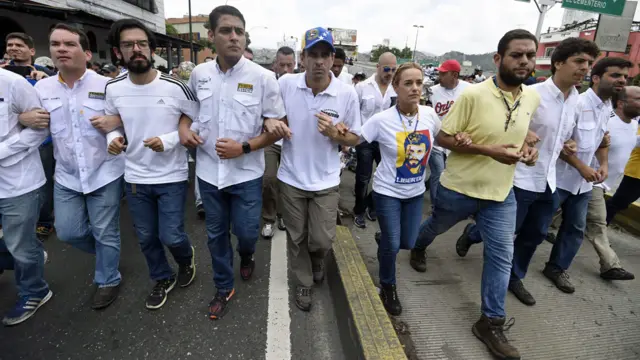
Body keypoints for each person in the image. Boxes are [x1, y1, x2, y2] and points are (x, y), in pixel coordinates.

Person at [409, 29, 540, 359]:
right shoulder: (472, 95)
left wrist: (527, 149)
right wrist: (488, 151)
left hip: (501, 193)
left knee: (501, 255)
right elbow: (444, 139)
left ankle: (490, 322)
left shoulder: (531, 97)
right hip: (459, 188)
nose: (524, 61)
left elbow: (518, 134)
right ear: (498, 59)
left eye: (529, 55)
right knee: (435, 227)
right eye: (516, 55)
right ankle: (419, 247)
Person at [458, 37, 600, 305]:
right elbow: (505, 124)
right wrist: (526, 134)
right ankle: (472, 234)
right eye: (579, 61)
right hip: (521, 177)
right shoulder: (531, 94)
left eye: (590, 63)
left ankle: (515, 276)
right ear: (558, 63)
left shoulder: (576, 102)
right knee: (506, 230)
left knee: (534, 234)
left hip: (549, 180)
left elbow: (562, 138)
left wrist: (567, 142)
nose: (585, 68)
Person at [179, 5, 286, 320]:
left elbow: (274, 129)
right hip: (210, 173)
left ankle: (248, 253)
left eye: (239, 31)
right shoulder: (199, 75)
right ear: (211, 36)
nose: (234, 37)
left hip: (246, 174)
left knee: (246, 231)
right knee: (215, 235)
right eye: (226, 31)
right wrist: (185, 130)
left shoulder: (263, 78)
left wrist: (244, 147)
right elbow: (190, 113)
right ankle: (224, 286)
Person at [20, 24, 126, 310]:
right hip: (66, 174)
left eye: (69, 44)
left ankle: (108, 278)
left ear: (87, 53)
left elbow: (117, 122)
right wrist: (25, 120)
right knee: (68, 231)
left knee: (105, 230)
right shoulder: (41, 89)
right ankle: (109, 254)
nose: (61, 49)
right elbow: (36, 127)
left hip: (104, 170)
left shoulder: (106, 86)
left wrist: (116, 138)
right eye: (55, 44)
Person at [104, 18, 198, 310]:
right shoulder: (113, 88)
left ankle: (185, 259)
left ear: (151, 49)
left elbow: (196, 119)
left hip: (170, 173)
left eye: (142, 44)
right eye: (128, 45)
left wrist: (168, 140)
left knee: (171, 234)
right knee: (146, 237)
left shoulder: (174, 86)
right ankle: (161, 277)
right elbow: (112, 122)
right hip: (134, 176)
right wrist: (114, 137)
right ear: (119, 52)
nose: (136, 49)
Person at [267, 27, 361, 312]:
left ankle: (318, 257)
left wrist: (337, 135)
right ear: (302, 57)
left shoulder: (346, 94)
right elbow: (271, 117)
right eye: (313, 55)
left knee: (321, 237)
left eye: (325, 55)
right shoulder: (286, 85)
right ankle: (304, 280)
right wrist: (272, 124)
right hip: (292, 177)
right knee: (296, 236)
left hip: (327, 179)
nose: (319, 61)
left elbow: (355, 136)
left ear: (333, 58)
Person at [539, 58, 630, 295]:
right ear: (597, 78)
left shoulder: (607, 108)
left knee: (575, 228)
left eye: (625, 77)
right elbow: (560, 144)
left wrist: (603, 164)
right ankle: (475, 234)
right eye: (616, 75)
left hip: (584, 185)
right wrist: (581, 167)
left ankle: (556, 268)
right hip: (558, 180)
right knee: (533, 226)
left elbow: (602, 140)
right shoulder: (577, 104)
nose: (622, 80)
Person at [360, 62, 444, 315]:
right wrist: (336, 134)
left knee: (407, 242)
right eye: (408, 83)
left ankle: (386, 239)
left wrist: (464, 138)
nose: (415, 88)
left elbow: (443, 137)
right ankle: (388, 286)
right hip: (387, 192)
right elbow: (355, 138)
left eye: (419, 83)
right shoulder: (381, 120)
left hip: (415, 193)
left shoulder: (429, 115)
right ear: (395, 87)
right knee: (393, 245)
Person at [0, 67, 52, 326]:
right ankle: (30, 254)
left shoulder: (12, 83)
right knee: (18, 244)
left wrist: (2, 150)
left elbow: (41, 128)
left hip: (16, 182)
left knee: (19, 244)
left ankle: (35, 291)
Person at [3, 32, 56, 239]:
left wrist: (45, 78)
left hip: (41, 139)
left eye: (19, 45)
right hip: (12, 138)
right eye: (10, 45)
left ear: (31, 51)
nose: (14, 48)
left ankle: (44, 220)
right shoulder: (4, 75)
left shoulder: (45, 74)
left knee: (43, 183)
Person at [584, 86, 639, 281]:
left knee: (546, 217)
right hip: (591, 181)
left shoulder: (633, 125)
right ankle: (610, 266)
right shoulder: (607, 122)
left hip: (602, 184)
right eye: (638, 98)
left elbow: (633, 143)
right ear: (622, 103)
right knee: (599, 222)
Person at [352, 52, 397, 229]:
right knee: (363, 178)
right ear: (378, 67)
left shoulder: (396, 88)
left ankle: (373, 205)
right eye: (387, 69)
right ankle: (359, 211)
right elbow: (354, 114)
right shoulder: (362, 87)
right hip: (365, 139)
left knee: (386, 176)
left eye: (394, 70)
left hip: (386, 140)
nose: (390, 73)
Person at [261, 46, 296, 239]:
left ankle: (283, 214)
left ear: (295, 64)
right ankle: (268, 218)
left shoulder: (302, 85)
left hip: (291, 141)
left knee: (288, 181)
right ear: (275, 64)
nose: (285, 69)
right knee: (269, 179)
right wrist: (266, 120)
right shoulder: (266, 83)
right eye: (281, 64)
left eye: (289, 65)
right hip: (271, 140)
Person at [427, 59, 470, 206]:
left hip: (456, 140)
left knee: (454, 174)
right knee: (438, 172)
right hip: (436, 139)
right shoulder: (432, 91)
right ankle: (436, 205)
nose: (440, 76)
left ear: (454, 75)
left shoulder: (469, 90)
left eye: (443, 73)